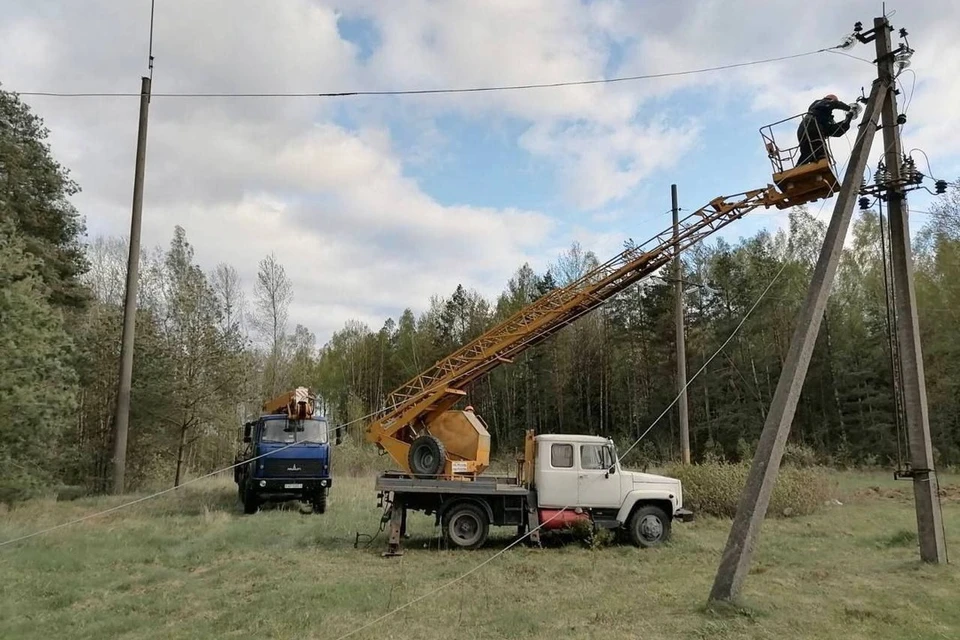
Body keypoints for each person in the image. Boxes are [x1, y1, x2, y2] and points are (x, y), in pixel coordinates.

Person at [796, 94, 854, 165]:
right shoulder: (820, 103)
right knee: (822, 157)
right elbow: (833, 104)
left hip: (806, 129)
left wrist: (847, 120)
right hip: (811, 126)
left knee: (808, 153)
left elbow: (836, 131)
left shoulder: (823, 118)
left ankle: (798, 170)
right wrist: (849, 108)